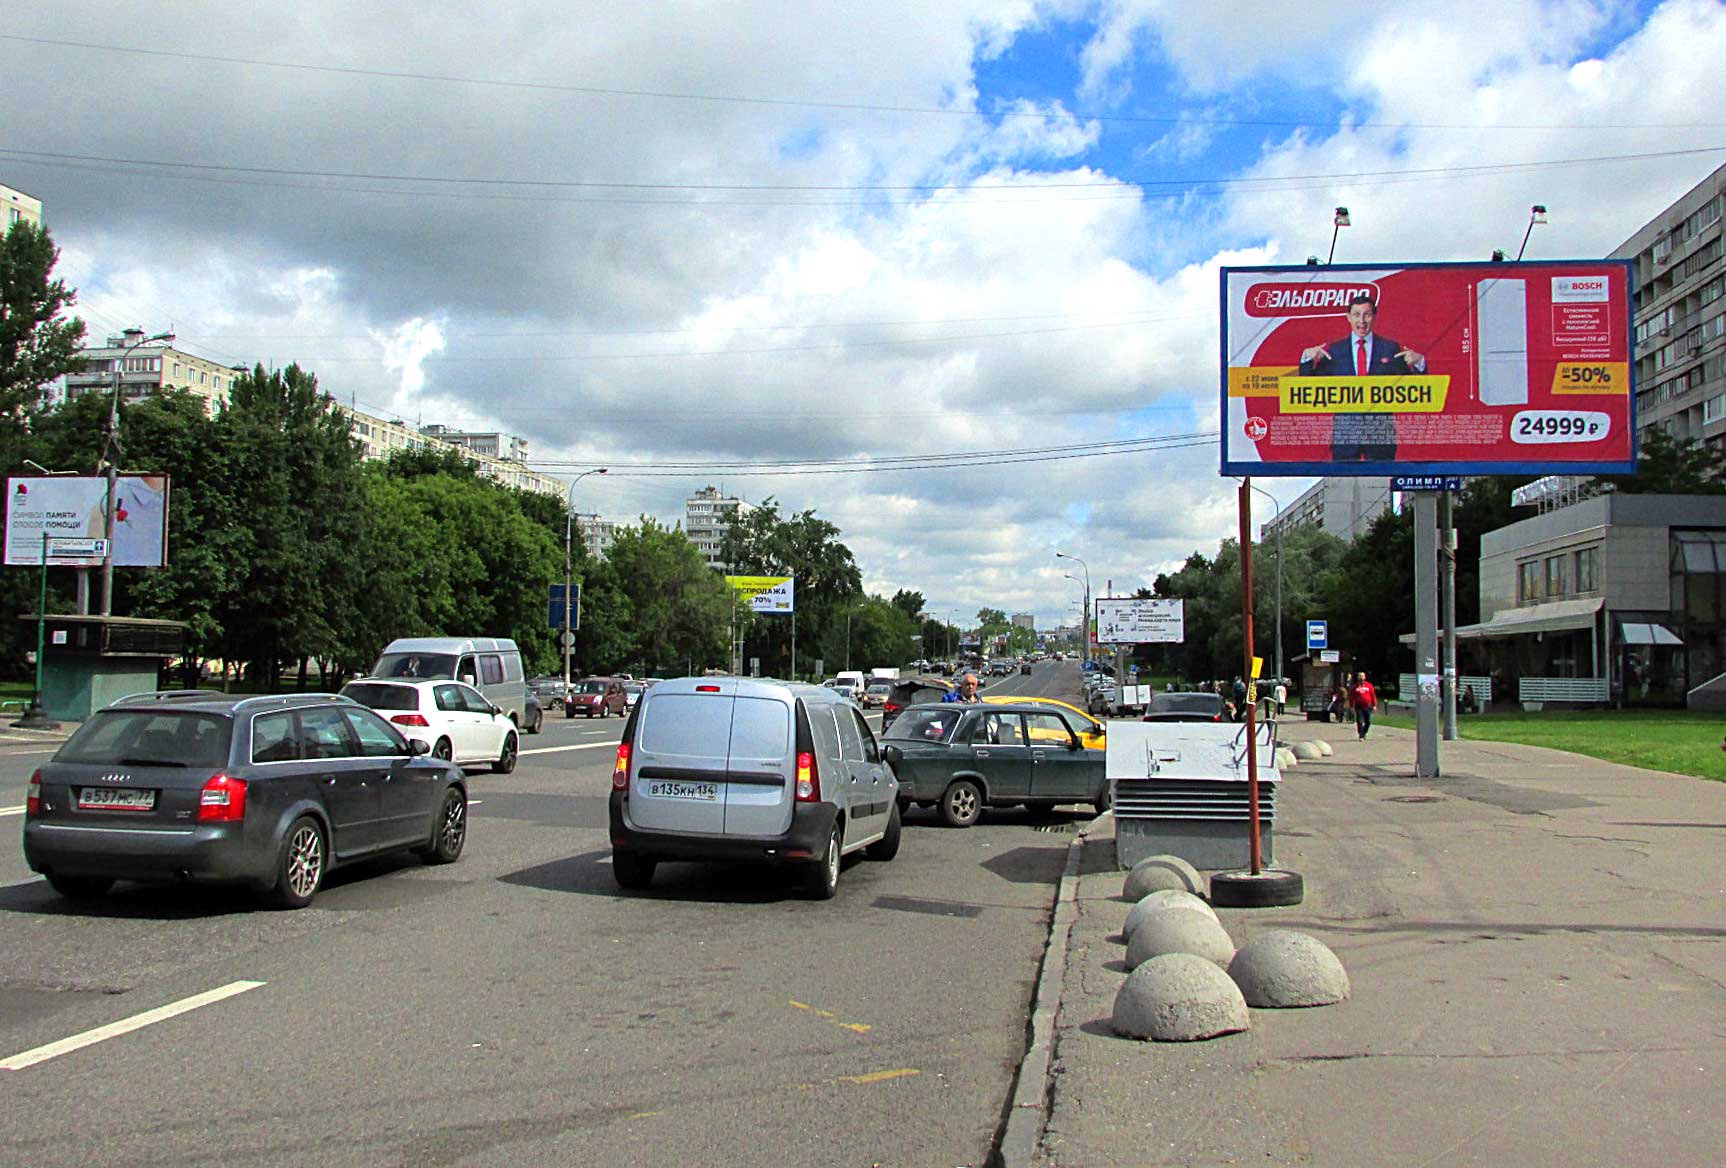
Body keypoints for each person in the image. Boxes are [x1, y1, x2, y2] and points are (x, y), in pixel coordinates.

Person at [1300, 293, 1427, 462]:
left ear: (1374, 317)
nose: (1362, 321)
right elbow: (1308, 388)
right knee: (1342, 485)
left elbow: (1416, 388)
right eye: (1357, 315)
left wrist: (1419, 362)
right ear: (1348, 317)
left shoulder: (1390, 348)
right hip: (1345, 437)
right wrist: (1307, 359)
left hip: (1380, 435)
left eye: (1367, 314)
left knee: (1380, 486)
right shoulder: (1335, 350)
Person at [1349, 671, 1379, 740]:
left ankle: (1363, 732)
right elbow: (1351, 697)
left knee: (1368, 722)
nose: (1361, 680)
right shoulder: (1355, 687)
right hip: (1359, 706)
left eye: (1362, 679)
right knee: (1359, 721)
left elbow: (1373, 696)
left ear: (1364, 678)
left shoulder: (1369, 686)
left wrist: (1374, 705)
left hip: (1368, 706)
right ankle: (1361, 736)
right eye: (1360, 679)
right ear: (1358, 679)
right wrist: (1351, 706)